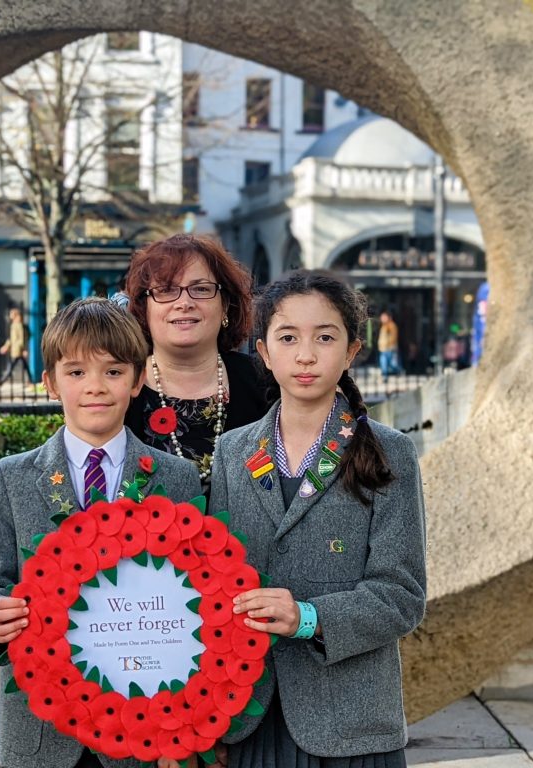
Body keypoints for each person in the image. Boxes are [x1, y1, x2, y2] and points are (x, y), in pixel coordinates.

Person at [0, 298, 202, 768]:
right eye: (76, 373)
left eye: (113, 372)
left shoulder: (176, 478)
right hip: (39, 731)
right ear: (51, 382)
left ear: (138, 380)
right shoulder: (12, 477)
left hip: (141, 730)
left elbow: (194, 591)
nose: (95, 387)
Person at [207, 271, 427, 768]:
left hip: (351, 726)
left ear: (352, 350)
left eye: (325, 337)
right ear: (263, 353)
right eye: (288, 338)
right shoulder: (233, 451)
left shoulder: (389, 452)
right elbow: (213, 581)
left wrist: (308, 618)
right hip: (250, 719)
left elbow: (402, 595)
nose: (305, 355)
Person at [124, 234, 268, 488]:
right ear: (144, 309)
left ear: (225, 305)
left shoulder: (266, 383)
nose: (184, 303)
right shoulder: (119, 388)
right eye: (166, 290)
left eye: (201, 289)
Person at [0, 306, 29, 382]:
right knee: (24, 366)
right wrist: (6, 346)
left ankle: (2, 381)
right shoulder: (14, 325)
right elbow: (11, 339)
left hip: (17, 350)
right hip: (15, 349)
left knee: (11, 366)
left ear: (15, 315)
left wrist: (23, 349)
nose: (10, 315)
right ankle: (30, 380)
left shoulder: (18, 325)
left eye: (11, 314)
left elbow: (21, 339)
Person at [377, 310, 403, 379]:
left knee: (392, 364)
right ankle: (385, 377)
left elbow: (393, 337)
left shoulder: (391, 326)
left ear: (388, 317)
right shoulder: (383, 326)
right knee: (383, 363)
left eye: (384, 317)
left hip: (390, 349)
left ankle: (399, 371)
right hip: (383, 349)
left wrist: (389, 345)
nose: (382, 319)